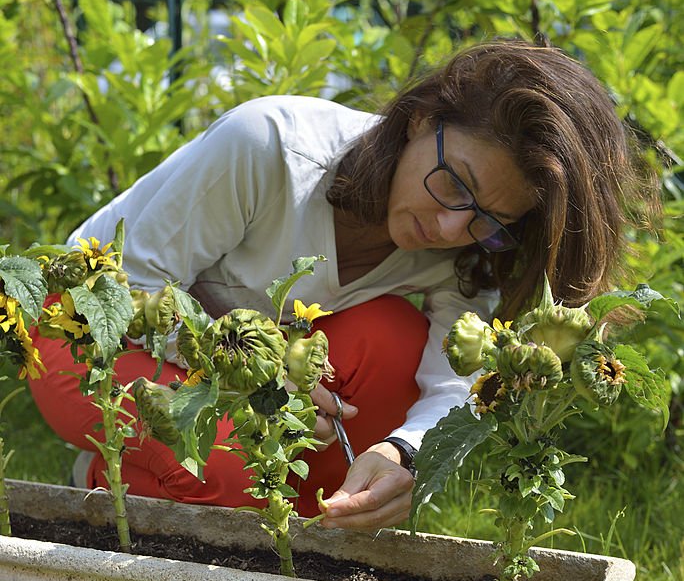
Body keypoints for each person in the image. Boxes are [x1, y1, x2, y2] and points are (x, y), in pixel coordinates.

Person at [29, 38, 656, 531]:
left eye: (492, 217)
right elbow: (134, 287)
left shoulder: (472, 243)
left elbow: (455, 379)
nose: (450, 226)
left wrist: (404, 455)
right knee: (230, 474)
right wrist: (261, 377)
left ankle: (277, 543)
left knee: (395, 345)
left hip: (242, 358)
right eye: (455, 183)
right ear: (418, 119)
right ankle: (113, 485)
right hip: (88, 328)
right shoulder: (270, 147)